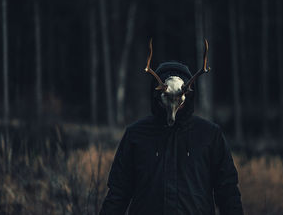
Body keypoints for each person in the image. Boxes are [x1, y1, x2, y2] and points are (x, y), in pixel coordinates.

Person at [100, 49, 244, 215]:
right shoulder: (136, 135)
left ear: (188, 94)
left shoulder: (209, 135)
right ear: (157, 93)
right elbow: (118, 192)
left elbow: (228, 192)